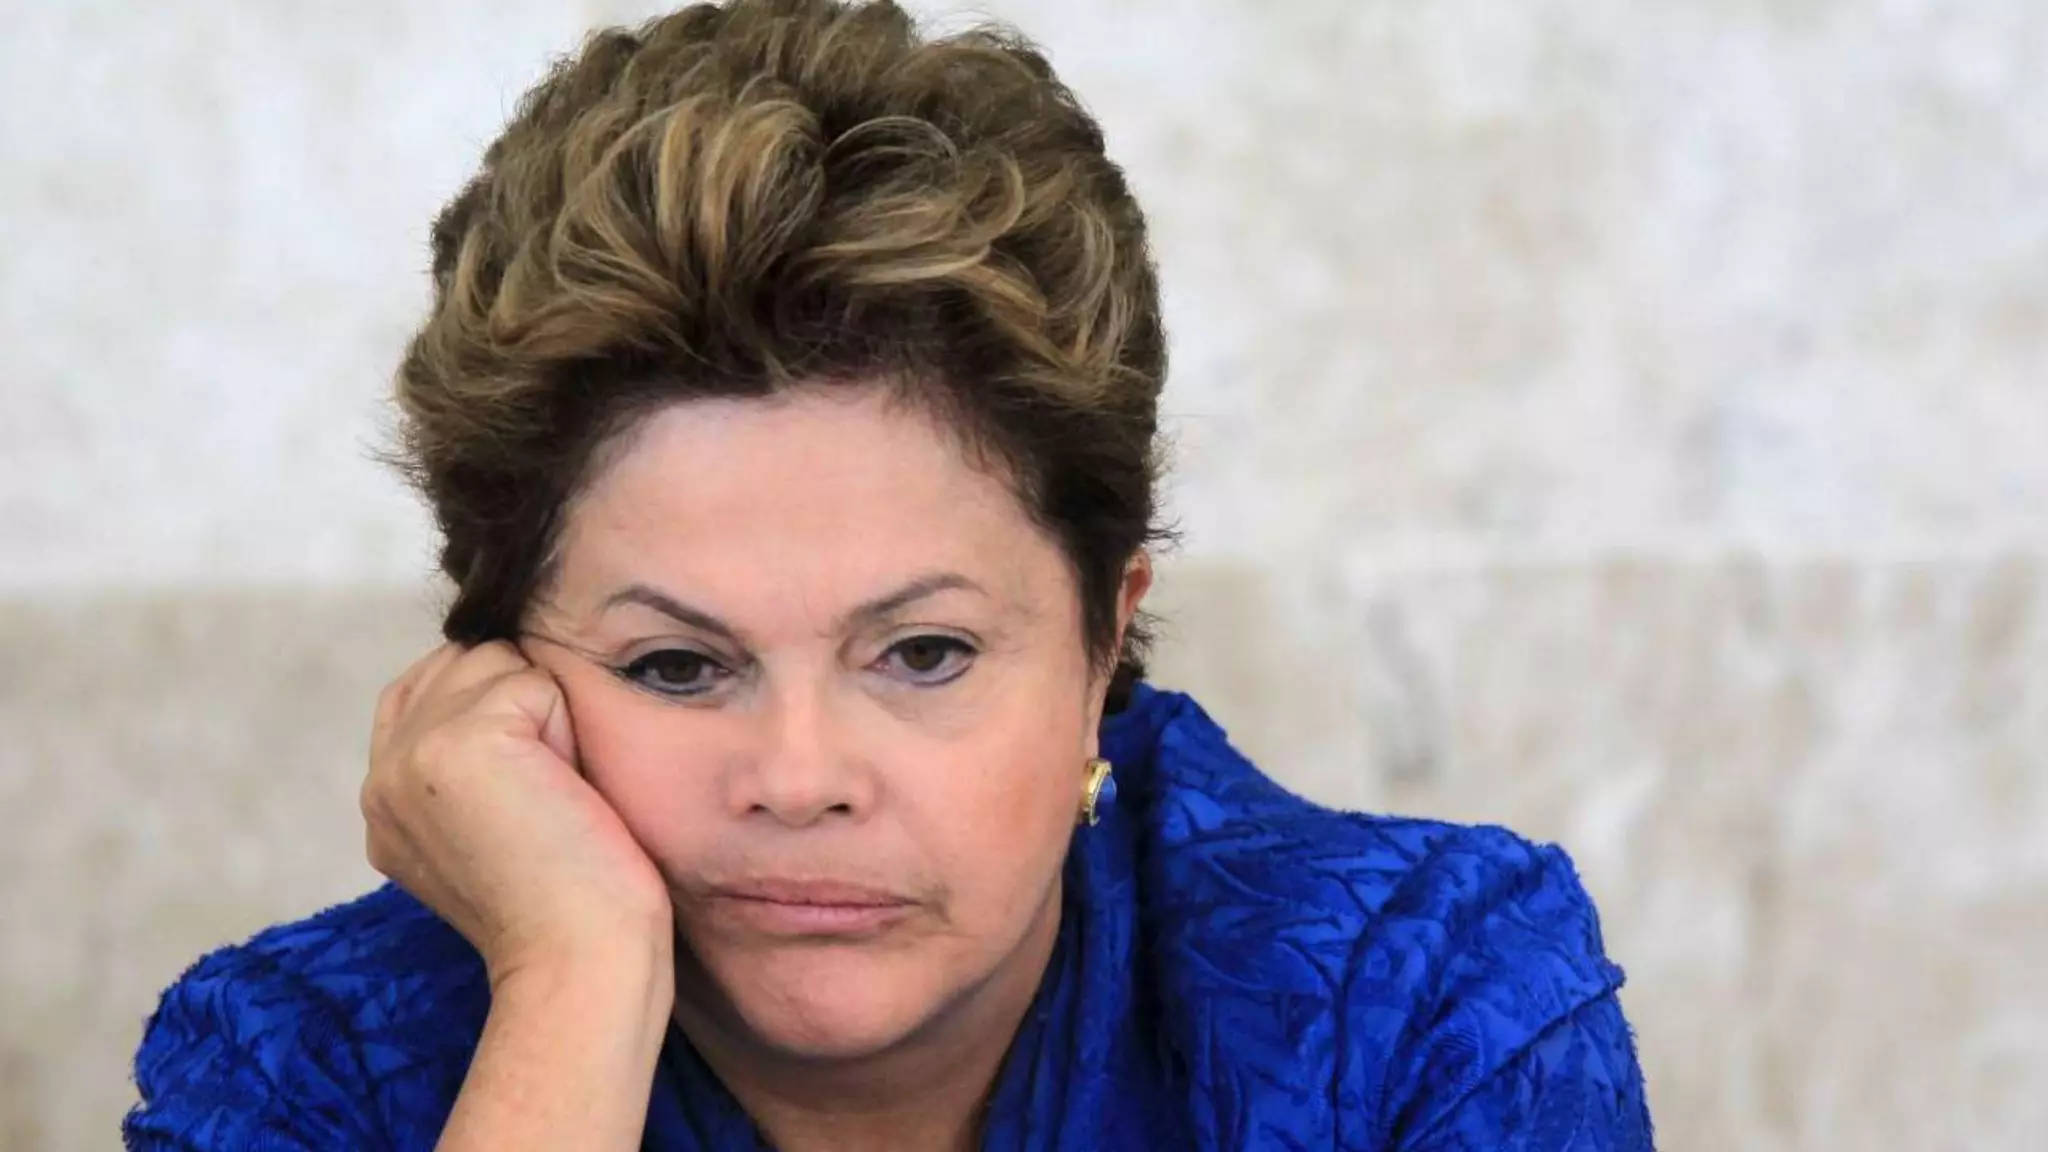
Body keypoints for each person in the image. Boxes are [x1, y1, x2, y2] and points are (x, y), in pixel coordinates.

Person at [123, 1, 1655, 1148]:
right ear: (500, 678)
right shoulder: (297, 1070)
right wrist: (574, 981)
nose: (800, 780)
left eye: (924, 654)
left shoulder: (1422, 1005)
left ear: (1101, 648)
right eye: (678, 666)